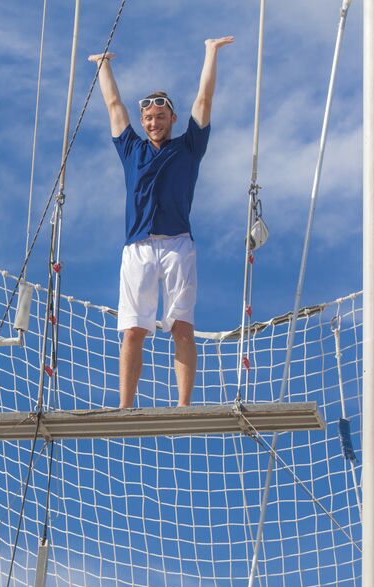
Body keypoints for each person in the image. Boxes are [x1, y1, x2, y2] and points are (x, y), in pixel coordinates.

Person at [88, 37, 236, 408]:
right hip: (137, 248)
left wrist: (210, 52)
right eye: (149, 119)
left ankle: (183, 405)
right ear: (144, 122)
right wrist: (102, 64)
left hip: (177, 245)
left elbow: (204, 100)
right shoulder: (131, 149)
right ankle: (125, 405)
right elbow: (113, 104)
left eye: (160, 117)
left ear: (172, 118)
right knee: (133, 331)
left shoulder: (189, 147)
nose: (153, 123)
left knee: (182, 326)